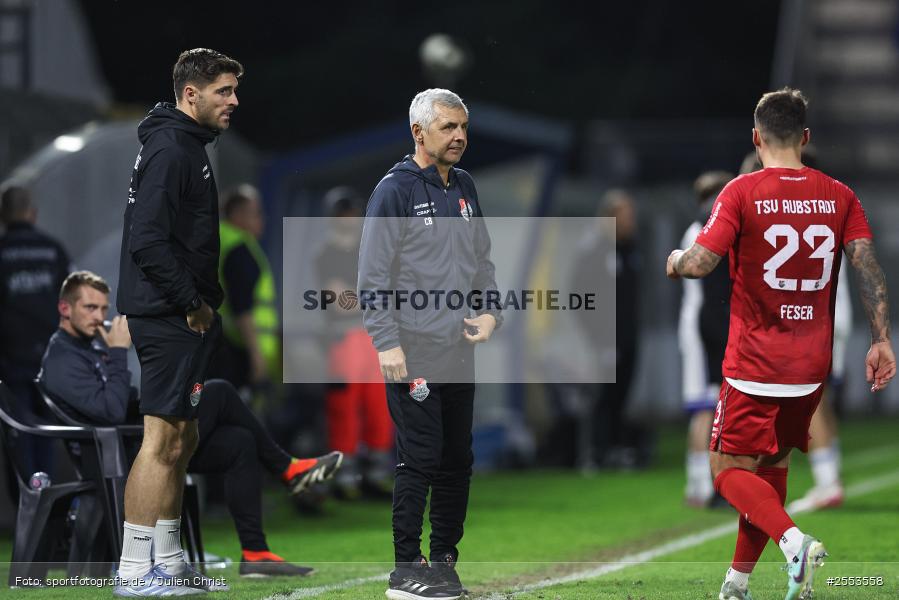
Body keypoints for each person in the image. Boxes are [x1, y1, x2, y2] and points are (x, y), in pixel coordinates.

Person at [666, 87, 895, 600]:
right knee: (771, 471)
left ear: (756, 137)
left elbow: (702, 263)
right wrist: (882, 339)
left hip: (754, 362)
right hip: (811, 365)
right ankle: (737, 583)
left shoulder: (742, 191)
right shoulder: (840, 194)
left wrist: (678, 259)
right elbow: (867, 268)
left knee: (725, 471)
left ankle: (794, 543)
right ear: (805, 136)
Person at [39, 271, 343, 578]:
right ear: (65, 309)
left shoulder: (89, 347)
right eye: (90, 308)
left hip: (134, 444)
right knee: (220, 391)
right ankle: (286, 469)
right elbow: (112, 413)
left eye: (104, 309)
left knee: (239, 443)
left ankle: (255, 552)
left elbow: (119, 402)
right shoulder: (61, 357)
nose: (100, 317)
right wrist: (118, 352)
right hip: (122, 459)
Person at [359, 88, 501, 600]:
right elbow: (372, 275)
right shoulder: (393, 191)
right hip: (412, 347)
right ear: (419, 133)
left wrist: (490, 313)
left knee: (456, 460)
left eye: (463, 127)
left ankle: (442, 561)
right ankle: (404, 569)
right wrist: (385, 342)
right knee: (419, 458)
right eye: (448, 127)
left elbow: (482, 260)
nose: (459, 136)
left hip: (457, 349)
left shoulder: (464, 186)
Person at [115, 47, 242, 595]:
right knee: (160, 439)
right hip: (169, 315)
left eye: (235, 91)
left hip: (183, 315)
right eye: (224, 91)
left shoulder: (186, 145)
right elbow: (147, 239)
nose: (234, 101)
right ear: (191, 94)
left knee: (182, 438)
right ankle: (132, 569)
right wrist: (191, 301)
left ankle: (167, 560)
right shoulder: (172, 149)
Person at [315, 186, 393, 500]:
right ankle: (343, 479)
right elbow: (338, 301)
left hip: (373, 338)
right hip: (344, 340)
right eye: (345, 212)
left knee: (379, 409)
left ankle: (373, 476)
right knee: (344, 409)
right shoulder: (327, 254)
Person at [0, 186, 71, 485]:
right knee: (48, 434)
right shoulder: (53, 249)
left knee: (18, 436)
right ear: (32, 212)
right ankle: (50, 506)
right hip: (50, 358)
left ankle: (27, 511)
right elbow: (73, 302)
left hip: (9, 361)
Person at [678, 171, 732, 507]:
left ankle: (702, 484)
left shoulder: (696, 228)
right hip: (704, 325)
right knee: (705, 407)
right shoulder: (702, 229)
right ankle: (700, 485)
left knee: (710, 405)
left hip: (703, 322)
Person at [208, 184, 280, 394]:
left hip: (224, 346)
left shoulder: (220, 240)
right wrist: (256, 357)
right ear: (238, 215)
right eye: (256, 213)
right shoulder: (239, 248)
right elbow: (242, 307)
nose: (262, 220)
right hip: (239, 352)